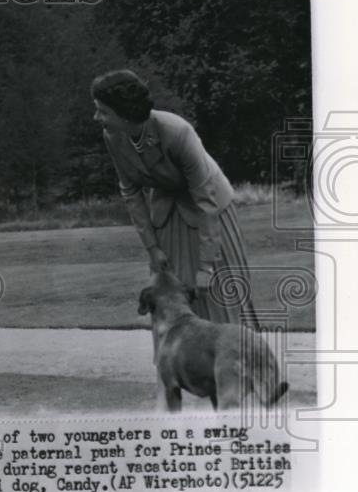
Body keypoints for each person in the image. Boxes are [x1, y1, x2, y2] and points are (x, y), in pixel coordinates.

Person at [91, 69, 259, 328]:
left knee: (216, 294)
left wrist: (206, 267)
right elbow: (131, 192)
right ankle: (178, 365)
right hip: (167, 213)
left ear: (124, 115)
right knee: (170, 291)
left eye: (102, 111)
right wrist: (153, 248)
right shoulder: (112, 136)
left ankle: (234, 361)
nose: (96, 117)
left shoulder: (177, 131)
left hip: (210, 211)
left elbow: (206, 200)